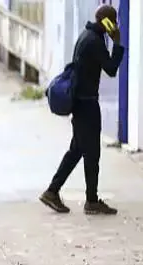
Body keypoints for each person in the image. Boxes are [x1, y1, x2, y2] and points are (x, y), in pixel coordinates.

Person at [40, 4, 124, 215]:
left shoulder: (87, 35)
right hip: (86, 104)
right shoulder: (95, 42)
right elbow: (112, 69)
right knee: (92, 153)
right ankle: (91, 200)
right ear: (106, 22)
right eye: (113, 21)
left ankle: (53, 191)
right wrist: (118, 44)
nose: (115, 25)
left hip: (82, 103)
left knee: (77, 150)